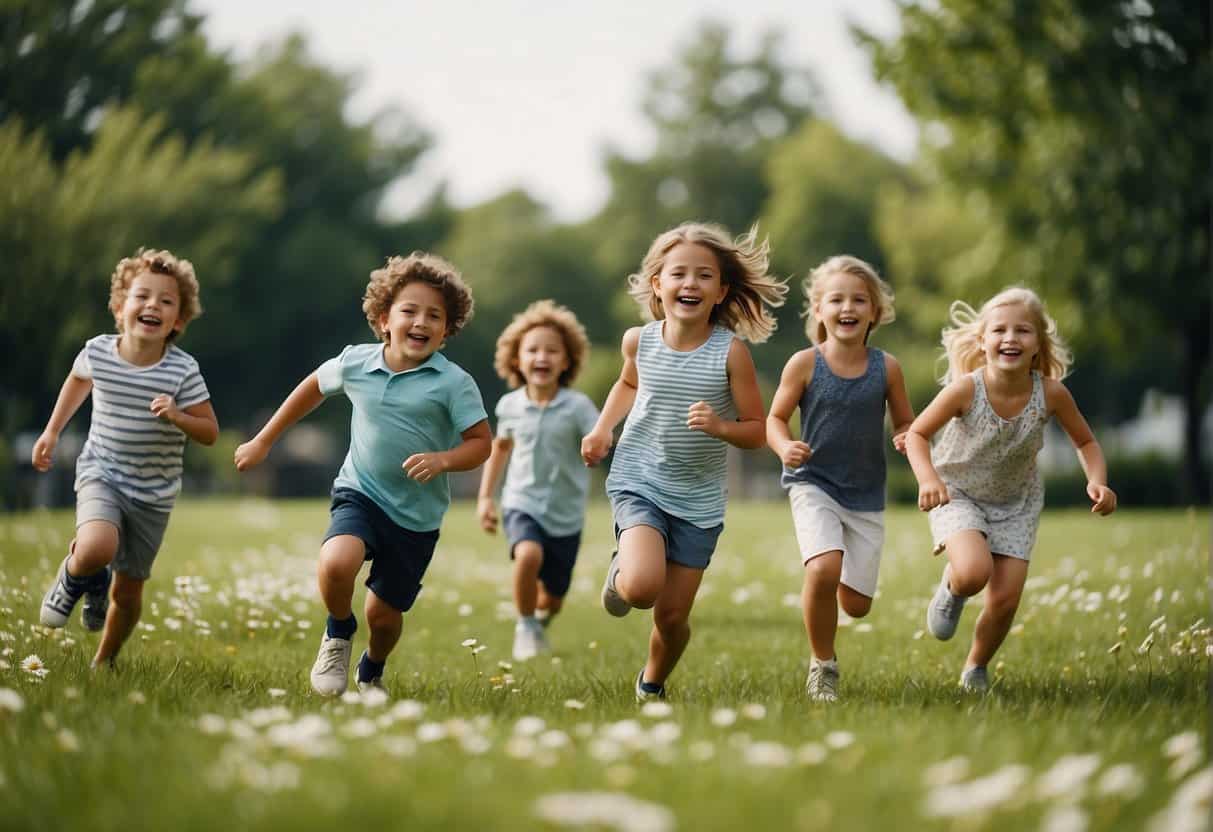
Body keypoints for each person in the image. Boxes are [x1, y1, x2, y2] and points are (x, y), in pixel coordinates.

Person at [234, 253, 491, 696]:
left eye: (435, 316)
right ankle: (337, 631)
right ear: (383, 317)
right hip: (361, 493)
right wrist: (264, 440)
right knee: (336, 563)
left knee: (385, 618)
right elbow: (312, 388)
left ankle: (372, 667)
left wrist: (444, 460)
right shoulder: (356, 362)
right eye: (409, 310)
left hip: (415, 517)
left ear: (446, 330)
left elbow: (480, 444)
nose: (421, 322)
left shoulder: (454, 383)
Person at [581, 222, 786, 701]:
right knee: (642, 588)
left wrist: (720, 427)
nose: (689, 283)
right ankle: (623, 573)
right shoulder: (640, 341)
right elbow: (628, 384)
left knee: (671, 618)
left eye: (703, 276)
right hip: (640, 479)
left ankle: (651, 683)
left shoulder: (731, 353)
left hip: (698, 500)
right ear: (658, 285)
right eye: (678, 274)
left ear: (721, 291)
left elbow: (757, 430)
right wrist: (602, 428)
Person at [904, 287, 1117, 692]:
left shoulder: (1051, 394)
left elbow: (1086, 442)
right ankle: (954, 587)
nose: (1010, 338)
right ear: (982, 342)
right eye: (999, 330)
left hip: (1016, 503)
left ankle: (975, 668)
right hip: (957, 492)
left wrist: (1097, 481)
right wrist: (928, 479)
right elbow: (917, 434)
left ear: (1038, 345)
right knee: (973, 573)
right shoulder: (966, 389)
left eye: (1023, 331)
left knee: (1004, 600)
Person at [33, 249, 218, 668]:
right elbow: (78, 381)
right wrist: (52, 430)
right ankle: (75, 575)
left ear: (179, 321)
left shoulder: (182, 372)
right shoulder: (98, 352)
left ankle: (105, 661)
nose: (153, 305)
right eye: (142, 296)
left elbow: (209, 432)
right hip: (103, 471)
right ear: (120, 308)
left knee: (129, 591)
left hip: (154, 494)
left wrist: (178, 415)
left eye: (166, 301)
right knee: (98, 544)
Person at [766, 255, 914, 702]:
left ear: (875, 312)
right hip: (813, 482)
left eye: (858, 300)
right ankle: (823, 664)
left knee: (856, 605)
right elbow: (774, 417)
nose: (847, 307)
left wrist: (908, 437)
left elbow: (906, 421)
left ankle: (836, 622)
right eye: (836, 299)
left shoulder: (886, 368)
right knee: (823, 568)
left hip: (866, 493)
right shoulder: (804, 364)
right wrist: (783, 446)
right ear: (818, 310)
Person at [477, 300, 599, 661]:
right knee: (527, 554)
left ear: (567, 361)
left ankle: (540, 618)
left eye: (552, 350)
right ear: (516, 359)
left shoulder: (578, 407)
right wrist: (486, 498)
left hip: (566, 514)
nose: (541, 356)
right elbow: (500, 450)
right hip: (521, 502)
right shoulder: (509, 406)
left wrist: (598, 447)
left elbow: (599, 437)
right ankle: (525, 626)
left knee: (555, 599)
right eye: (532, 349)